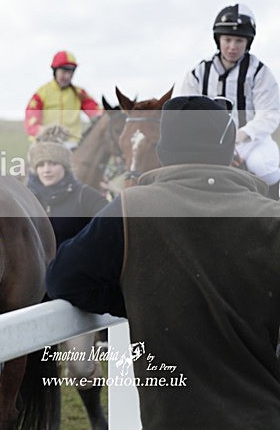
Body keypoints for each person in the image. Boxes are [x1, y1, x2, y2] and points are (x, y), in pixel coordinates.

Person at [46, 95, 280, 429]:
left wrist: (140, 297)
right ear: (228, 147)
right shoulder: (272, 217)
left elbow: (61, 279)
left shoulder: (130, 207)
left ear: (164, 149)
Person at [25, 125, 109, 430]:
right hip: (33, 296)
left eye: (53, 163)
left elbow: (111, 229)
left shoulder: (86, 196)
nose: (47, 169)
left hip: (75, 297)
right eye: (42, 164)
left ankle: (95, 414)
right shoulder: (24, 197)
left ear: (65, 165)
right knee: (33, 370)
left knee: (79, 365)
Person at [175, 3, 280, 199]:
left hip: (249, 142)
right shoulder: (199, 73)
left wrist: (240, 136)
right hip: (207, 143)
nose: (232, 46)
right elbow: (186, 112)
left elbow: (270, 114)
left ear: (248, 42)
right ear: (218, 39)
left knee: (264, 167)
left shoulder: (260, 72)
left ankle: (274, 213)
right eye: (228, 39)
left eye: (239, 40)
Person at [25, 50, 102, 142]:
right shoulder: (41, 94)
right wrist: (46, 131)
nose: (67, 76)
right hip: (46, 142)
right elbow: (31, 124)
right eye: (64, 72)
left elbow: (97, 112)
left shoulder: (79, 93)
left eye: (70, 72)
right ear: (55, 70)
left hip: (73, 144)